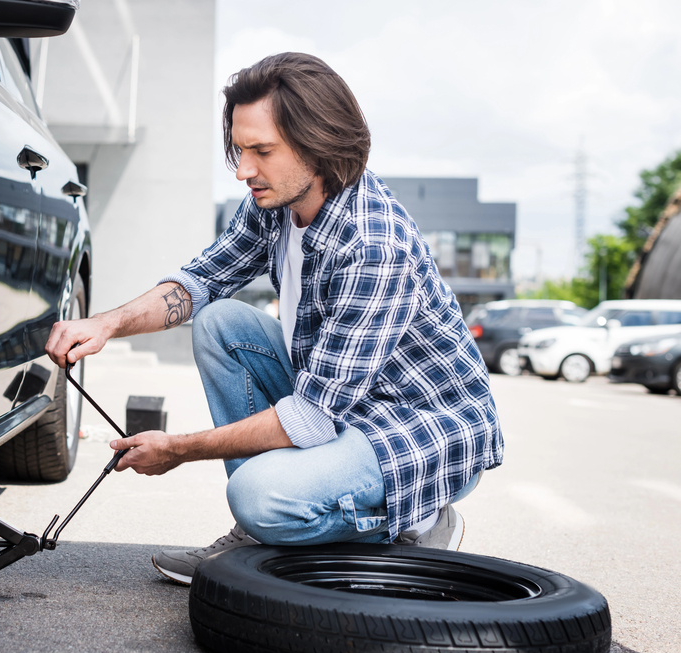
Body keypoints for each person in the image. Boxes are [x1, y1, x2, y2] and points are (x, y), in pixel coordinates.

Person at [46, 52, 503, 585]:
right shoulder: (275, 204)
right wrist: (105, 324)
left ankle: (419, 520)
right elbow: (200, 283)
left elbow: (309, 419)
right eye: (240, 151)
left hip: (419, 430)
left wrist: (178, 450)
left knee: (256, 495)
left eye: (262, 151)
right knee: (222, 323)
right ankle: (262, 532)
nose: (243, 171)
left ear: (319, 144)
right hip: (342, 403)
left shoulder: (372, 244)